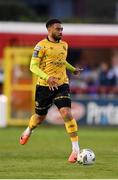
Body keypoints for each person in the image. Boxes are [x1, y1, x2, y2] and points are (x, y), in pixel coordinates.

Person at [19, 19, 83, 163]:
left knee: (66, 112)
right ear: (49, 30)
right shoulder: (40, 46)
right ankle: (28, 130)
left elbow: (61, 60)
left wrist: (72, 69)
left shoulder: (64, 45)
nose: (61, 32)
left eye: (62, 29)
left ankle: (75, 150)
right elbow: (33, 67)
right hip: (44, 86)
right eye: (58, 29)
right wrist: (47, 78)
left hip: (61, 83)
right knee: (39, 118)